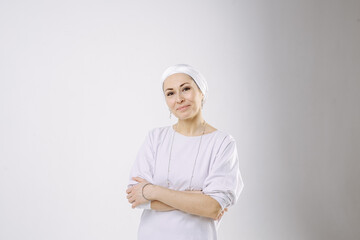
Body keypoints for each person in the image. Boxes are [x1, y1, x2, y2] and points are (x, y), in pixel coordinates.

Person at [126, 64, 244, 240]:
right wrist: (197, 199)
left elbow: (212, 207)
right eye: (170, 93)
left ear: (201, 92)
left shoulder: (222, 143)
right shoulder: (155, 138)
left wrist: (153, 191)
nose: (179, 99)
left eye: (186, 89)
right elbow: (135, 196)